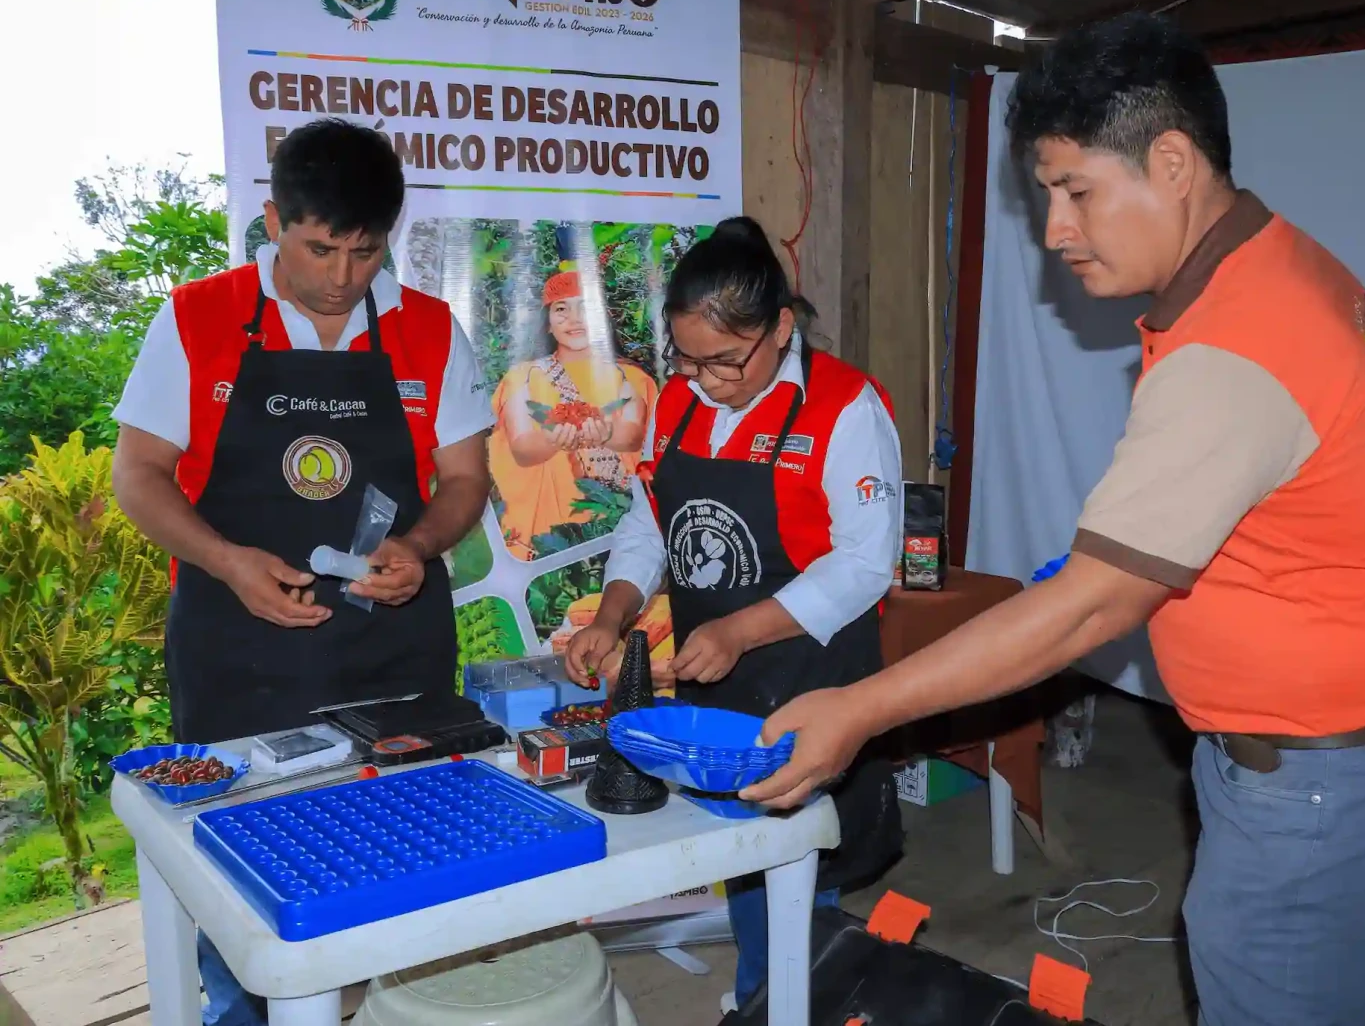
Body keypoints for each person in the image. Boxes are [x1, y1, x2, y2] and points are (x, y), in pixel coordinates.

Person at [743, 12, 1365, 1026]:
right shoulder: (1277, 268)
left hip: (1319, 785)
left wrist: (856, 711)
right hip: (1314, 764)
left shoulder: (1236, 345)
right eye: (1043, 197)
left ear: (1170, 161)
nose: (1055, 228)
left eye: (1074, 191)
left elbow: (1086, 611)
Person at [112, 117, 494, 1025]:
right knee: (240, 876)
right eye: (320, 248)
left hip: (392, 650)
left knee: (403, 856)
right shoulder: (198, 317)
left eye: (364, 252)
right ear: (275, 219)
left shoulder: (428, 331)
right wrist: (224, 560)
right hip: (238, 652)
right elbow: (137, 476)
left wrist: (420, 546)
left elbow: (466, 479)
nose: (339, 277)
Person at [563, 216, 905, 1012]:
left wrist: (741, 630)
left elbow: (863, 562)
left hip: (808, 674)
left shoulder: (844, 405)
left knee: (801, 860)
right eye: (685, 358)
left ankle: (784, 1001)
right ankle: (768, 996)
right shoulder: (680, 402)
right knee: (744, 850)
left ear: (780, 327)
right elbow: (650, 526)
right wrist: (612, 617)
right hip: (715, 681)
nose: (703, 378)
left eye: (723, 359)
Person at [487, 233, 656, 561]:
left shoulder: (632, 378)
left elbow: (635, 436)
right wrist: (555, 439)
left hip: (624, 533)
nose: (575, 320)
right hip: (546, 540)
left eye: (585, 309)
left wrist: (606, 434)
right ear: (547, 323)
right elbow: (522, 447)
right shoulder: (522, 377)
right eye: (561, 309)